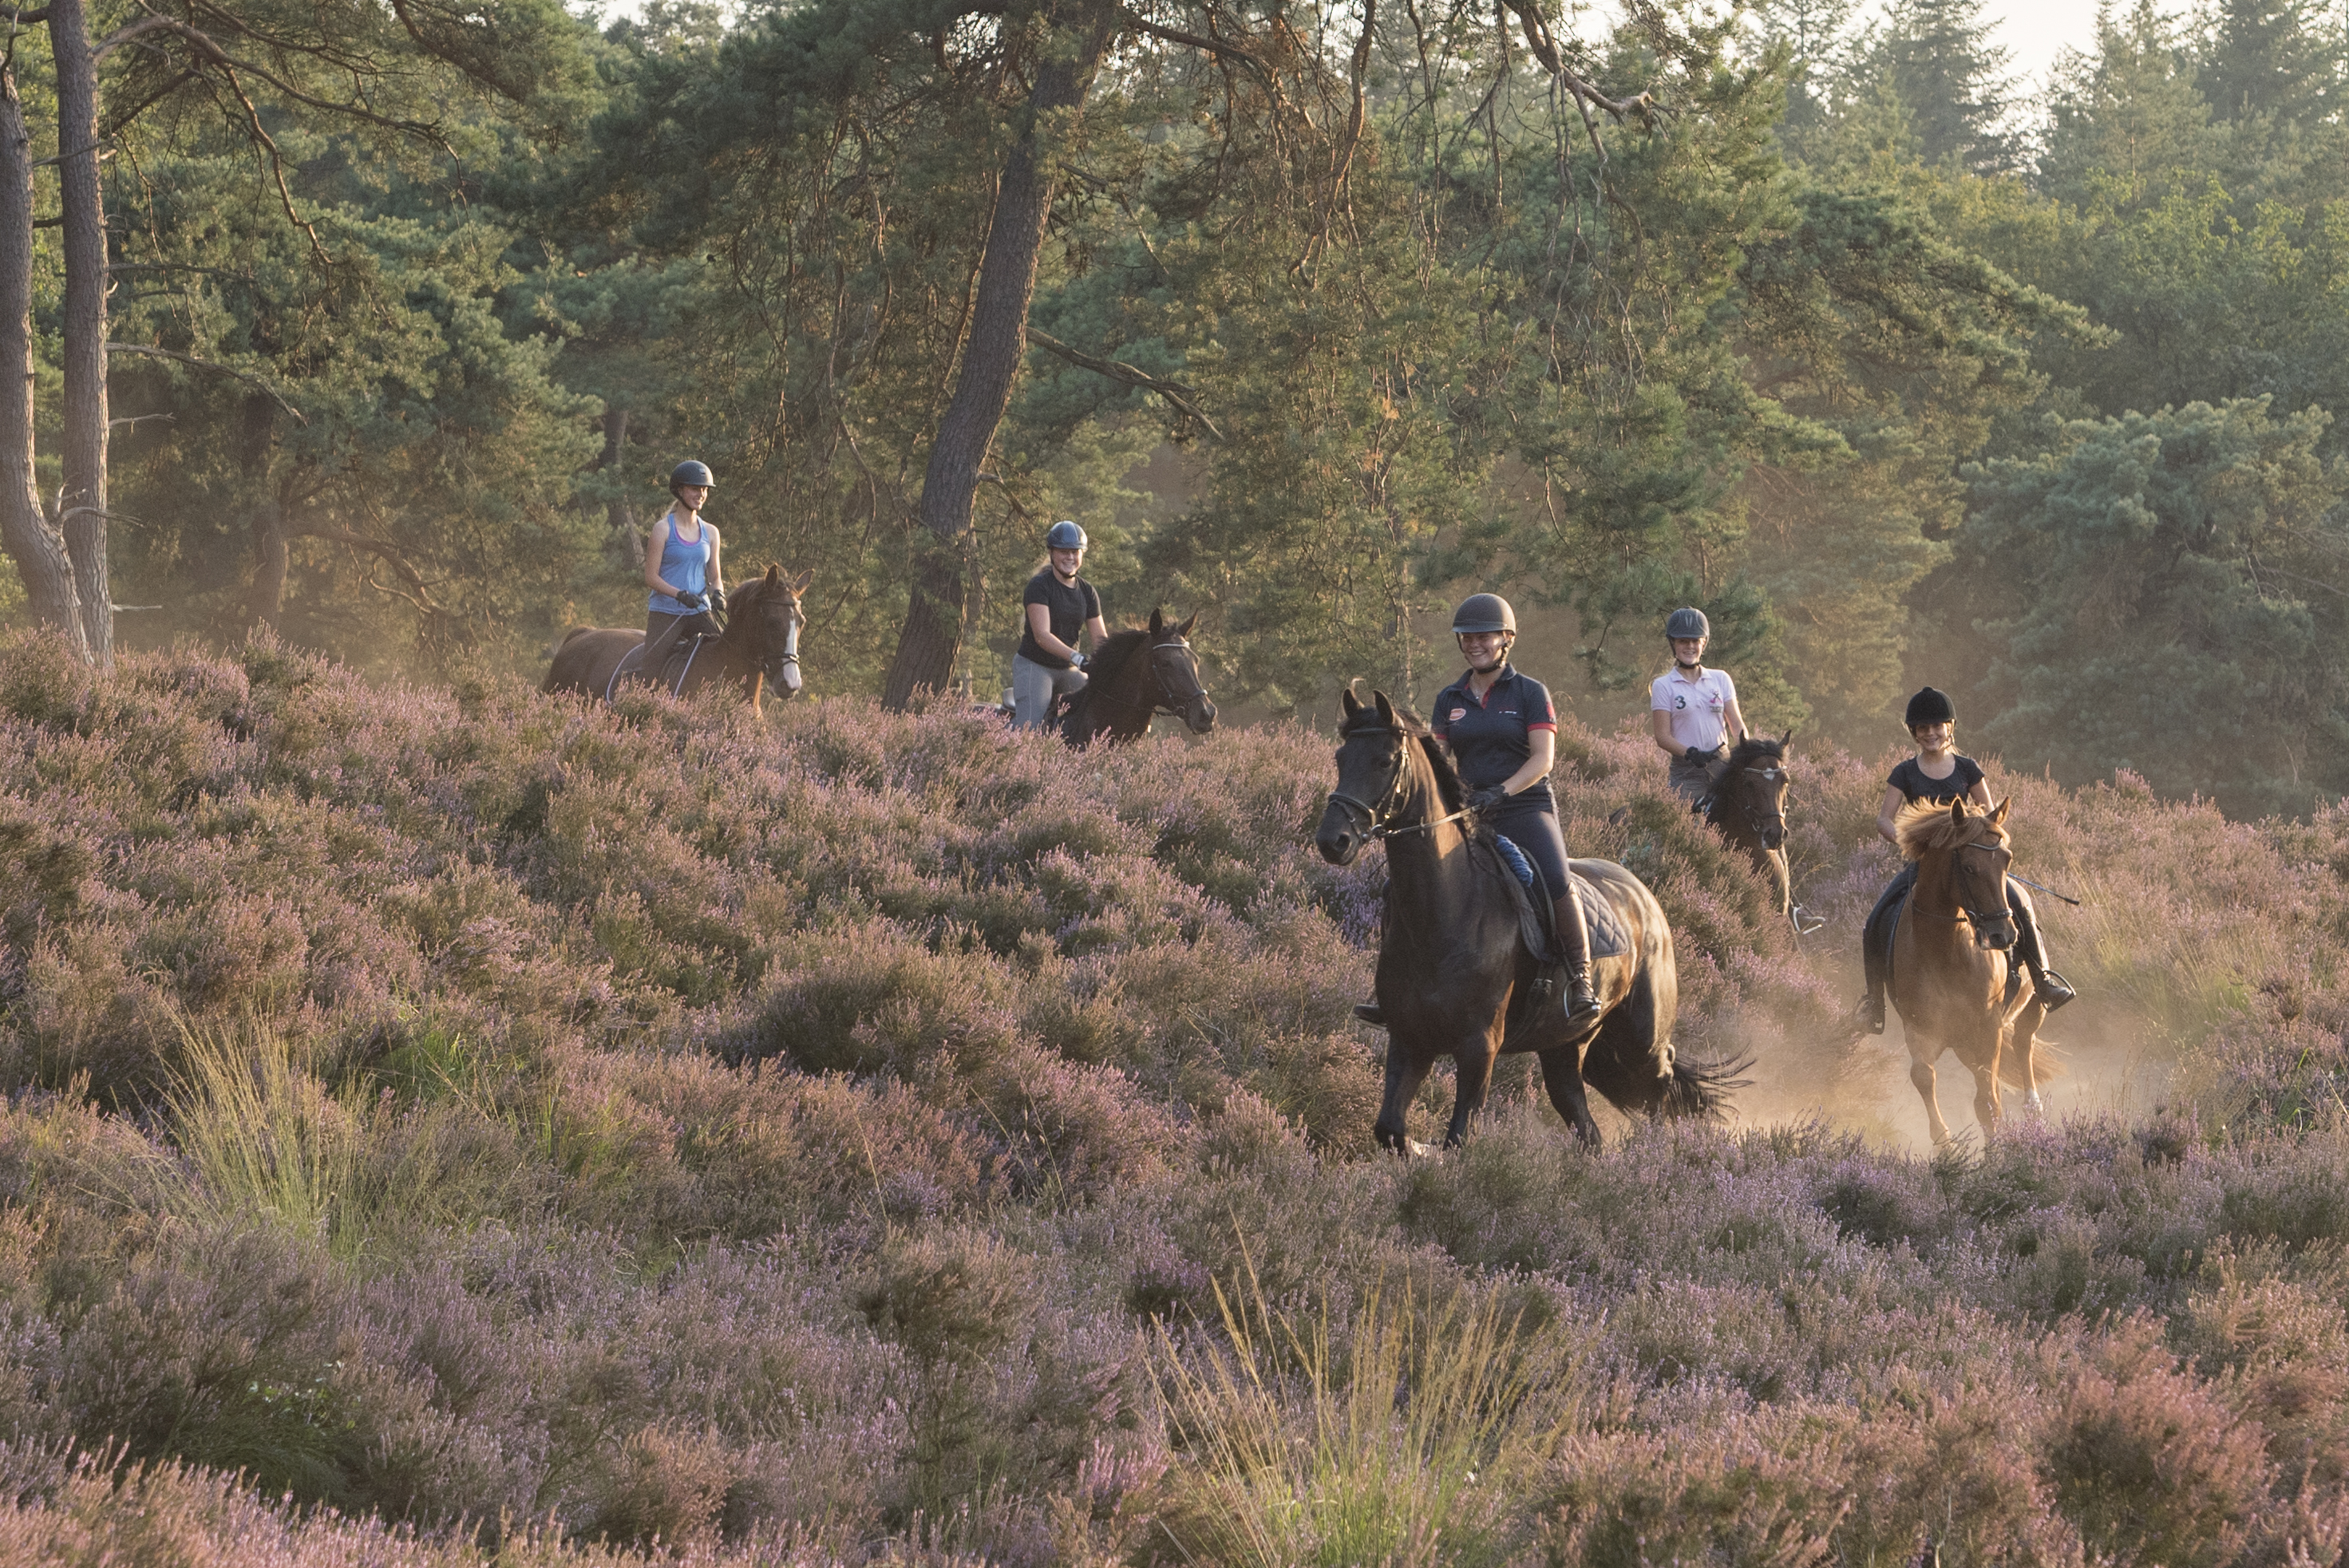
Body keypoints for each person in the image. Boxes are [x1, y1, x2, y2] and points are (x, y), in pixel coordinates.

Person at [1354, 594, 1601, 1032]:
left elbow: (1543, 759)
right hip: (1469, 814)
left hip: (1525, 806)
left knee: (1555, 876)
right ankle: (1390, 987)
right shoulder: (1450, 698)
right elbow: (1438, 760)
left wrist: (1501, 792)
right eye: (1467, 637)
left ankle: (1580, 979)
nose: (1473, 644)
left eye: (1483, 636)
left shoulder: (1529, 693)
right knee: (1400, 884)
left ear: (1505, 640)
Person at [1853, 686, 2078, 1035]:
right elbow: (1884, 818)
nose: (1930, 734)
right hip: (1924, 866)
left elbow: (1989, 816)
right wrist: (1910, 839)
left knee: (2018, 903)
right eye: (1923, 729)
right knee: (1875, 920)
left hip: (1971, 865)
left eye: (1937, 727)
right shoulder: (1904, 773)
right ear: (1914, 733)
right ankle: (1874, 1002)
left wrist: (1979, 842)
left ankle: (2043, 980)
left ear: (1950, 728)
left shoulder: (1968, 768)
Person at [1013, 520, 1109, 730]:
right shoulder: (1039, 586)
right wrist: (1077, 657)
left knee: (1099, 710)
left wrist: (1111, 663)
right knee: (1031, 727)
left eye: (1075, 552)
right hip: (1035, 666)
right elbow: (1042, 636)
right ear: (1052, 553)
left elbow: (1100, 640)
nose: (1070, 557)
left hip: (1069, 670)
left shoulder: (1088, 592)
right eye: (1064, 552)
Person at [1650, 606, 1747, 807]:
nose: (1690, 646)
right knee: (1683, 824)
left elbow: (1737, 726)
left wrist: (1748, 751)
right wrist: (1690, 753)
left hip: (1722, 766)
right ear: (1673, 644)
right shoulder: (1663, 685)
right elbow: (1662, 736)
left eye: (1695, 641)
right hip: (1687, 772)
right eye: (1683, 641)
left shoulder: (1721, 679)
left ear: (1704, 643)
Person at [640, 460, 726, 678]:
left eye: (705, 489)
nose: (702, 494)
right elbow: (651, 577)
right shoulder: (662, 530)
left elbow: (715, 576)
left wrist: (719, 594)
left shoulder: (711, 532)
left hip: (699, 609)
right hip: (666, 611)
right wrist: (680, 595)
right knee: (651, 668)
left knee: (726, 657)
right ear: (680, 491)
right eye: (695, 488)